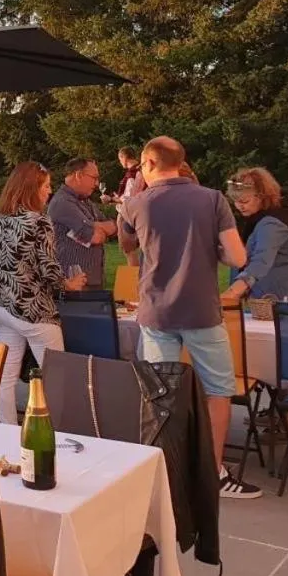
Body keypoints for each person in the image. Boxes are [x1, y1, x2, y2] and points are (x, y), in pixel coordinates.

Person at [119, 136, 260, 499]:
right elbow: (237, 257)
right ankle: (213, 473)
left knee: (160, 394)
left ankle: (165, 473)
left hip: (156, 311)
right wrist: (208, 247)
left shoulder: (135, 203)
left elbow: (127, 246)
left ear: (150, 163)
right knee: (218, 390)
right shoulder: (212, 199)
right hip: (201, 311)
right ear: (180, 162)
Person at [0, 162, 86, 424]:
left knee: (6, 376)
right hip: (34, 310)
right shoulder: (39, 222)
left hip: (3, 309)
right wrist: (68, 284)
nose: (49, 191)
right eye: (46, 186)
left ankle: (9, 430)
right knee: (56, 378)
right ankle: (54, 432)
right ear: (32, 189)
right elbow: (48, 267)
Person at [220, 167, 288, 305]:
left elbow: (261, 261)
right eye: (235, 201)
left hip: (284, 297)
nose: (239, 206)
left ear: (262, 197)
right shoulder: (263, 220)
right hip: (268, 296)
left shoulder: (272, 224)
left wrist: (232, 292)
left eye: (244, 201)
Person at [47, 157, 118, 290]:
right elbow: (96, 237)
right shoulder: (63, 203)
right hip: (74, 284)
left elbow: (114, 227)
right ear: (79, 175)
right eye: (94, 178)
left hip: (91, 281)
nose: (97, 183)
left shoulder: (85, 201)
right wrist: (98, 227)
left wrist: (94, 225)